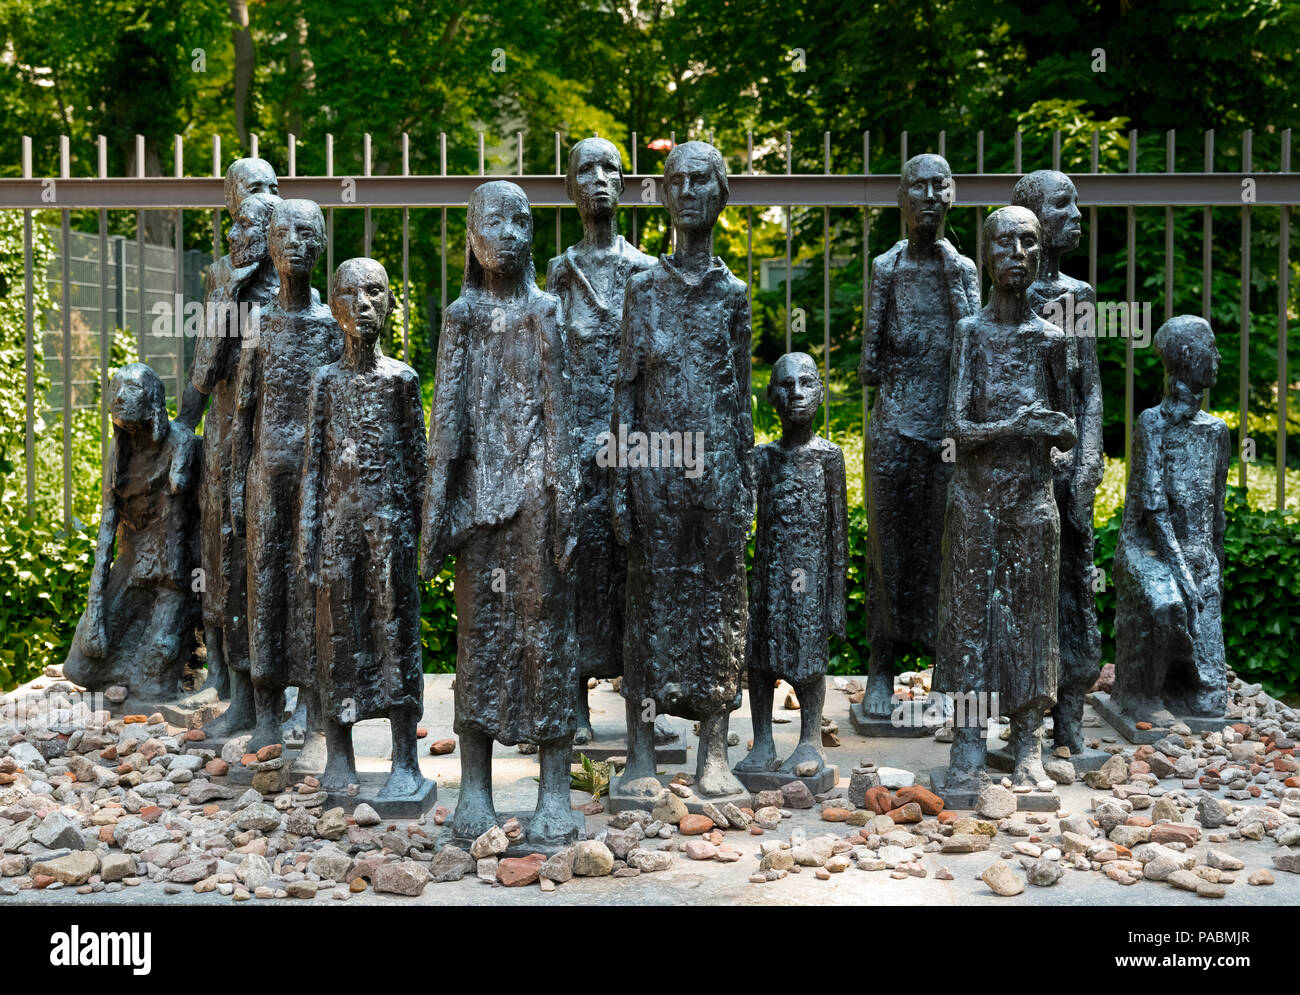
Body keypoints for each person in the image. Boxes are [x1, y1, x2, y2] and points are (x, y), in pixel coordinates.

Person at [421, 180, 579, 847]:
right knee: (477, 639)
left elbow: (562, 416)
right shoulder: (460, 315)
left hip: (537, 501)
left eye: (521, 221)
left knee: (546, 638)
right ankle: (475, 789)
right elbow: (447, 421)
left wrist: (566, 507)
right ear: (472, 236)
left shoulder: (546, 311)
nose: (508, 233)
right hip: (476, 507)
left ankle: (554, 789)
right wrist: (435, 517)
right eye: (494, 221)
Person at [612, 141, 754, 800]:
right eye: (679, 180)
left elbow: (742, 395)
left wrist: (745, 480)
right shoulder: (641, 289)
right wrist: (620, 482)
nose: (691, 189)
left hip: (719, 473)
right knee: (649, 604)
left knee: (721, 606)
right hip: (655, 473)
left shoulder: (735, 294)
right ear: (664, 195)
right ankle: (640, 749)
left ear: (722, 193)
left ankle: (715, 749)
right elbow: (624, 392)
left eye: (705, 180)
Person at [934, 206, 1076, 791]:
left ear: (1040, 255)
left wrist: (1052, 432)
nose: (1016, 253)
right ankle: (967, 743)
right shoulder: (970, 333)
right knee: (970, 619)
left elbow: (1069, 428)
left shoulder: (1052, 340)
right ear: (986, 256)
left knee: (1031, 624)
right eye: (1003, 243)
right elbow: (954, 430)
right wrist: (1015, 427)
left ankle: (1027, 746)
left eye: (1027, 242)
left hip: (1031, 501)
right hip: (975, 500)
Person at [299, 258, 429, 799]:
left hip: (390, 531)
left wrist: (425, 535)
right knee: (337, 637)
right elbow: (313, 465)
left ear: (390, 302)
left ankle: (404, 756)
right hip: (337, 530)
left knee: (396, 631)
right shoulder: (325, 381)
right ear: (334, 306)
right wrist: (309, 534)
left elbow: (419, 464)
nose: (364, 304)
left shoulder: (401, 380)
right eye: (351, 294)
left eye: (376, 292)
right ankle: (340, 753)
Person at [858, 154, 980, 719]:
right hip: (894, 429)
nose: (929, 195)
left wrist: (957, 283)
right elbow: (869, 364)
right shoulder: (886, 268)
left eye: (940, 185)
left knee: (944, 554)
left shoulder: (964, 270)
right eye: (917, 186)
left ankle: (943, 677)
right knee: (889, 555)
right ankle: (880, 669)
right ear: (902, 198)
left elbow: (977, 352)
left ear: (953, 195)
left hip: (947, 437)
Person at [546, 137, 657, 747]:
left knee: (636, 570)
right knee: (581, 569)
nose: (597, 180)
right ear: (569, 185)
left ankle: (643, 707)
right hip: (576, 441)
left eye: (608, 169)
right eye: (584, 170)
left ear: (624, 181)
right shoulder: (560, 272)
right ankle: (576, 704)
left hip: (633, 440)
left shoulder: (644, 270)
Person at [231, 199, 341, 755]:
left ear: (321, 244)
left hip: (315, 480)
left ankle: (313, 704)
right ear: (271, 247)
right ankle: (268, 709)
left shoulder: (331, 327)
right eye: (285, 233)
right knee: (265, 590)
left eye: (307, 232)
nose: (296, 242)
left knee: (312, 589)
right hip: (266, 479)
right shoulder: (260, 326)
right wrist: (235, 487)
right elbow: (243, 415)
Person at [1012, 169, 1104, 755]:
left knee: (1075, 589)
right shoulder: (1004, 297)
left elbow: (1090, 387)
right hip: (1018, 470)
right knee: (1019, 592)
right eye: (1063, 205)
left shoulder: (1077, 297)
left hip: (1068, 467)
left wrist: (1090, 453)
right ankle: (1019, 720)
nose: (1077, 215)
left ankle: (1069, 718)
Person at [187, 190, 280, 739]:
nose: (231, 234)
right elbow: (204, 374)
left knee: (280, 571)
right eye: (234, 219)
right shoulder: (227, 285)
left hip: (276, 454)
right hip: (231, 441)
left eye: (244, 223)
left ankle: (297, 704)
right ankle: (241, 694)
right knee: (231, 563)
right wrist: (226, 294)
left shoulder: (301, 301)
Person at [735, 352, 847, 783]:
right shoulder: (762, 458)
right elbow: (742, 519)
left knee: (810, 659)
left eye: (806, 383)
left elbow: (838, 537)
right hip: (768, 580)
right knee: (759, 660)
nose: (796, 394)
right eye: (785, 385)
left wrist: (835, 599)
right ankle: (762, 741)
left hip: (811, 584)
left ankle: (810, 739)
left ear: (819, 392)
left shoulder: (829, 458)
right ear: (771, 398)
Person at [1112, 316, 1229, 719]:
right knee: (1167, 603)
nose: (1217, 357)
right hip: (1150, 551)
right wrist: (1182, 575)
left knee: (1212, 704)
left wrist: (1214, 571)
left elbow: (1217, 514)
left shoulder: (1217, 431)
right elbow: (1153, 510)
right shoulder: (1152, 423)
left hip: (1198, 556)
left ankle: (1188, 679)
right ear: (1184, 356)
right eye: (1209, 348)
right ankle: (1142, 696)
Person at [64, 364, 201, 699]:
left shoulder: (184, 444)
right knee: (79, 668)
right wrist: (95, 613)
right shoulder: (120, 453)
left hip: (175, 574)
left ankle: (173, 655)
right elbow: (106, 529)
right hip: (132, 563)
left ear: (154, 399)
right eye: (115, 389)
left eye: (132, 389)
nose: (119, 398)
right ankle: (135, 662)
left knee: (152, 683)